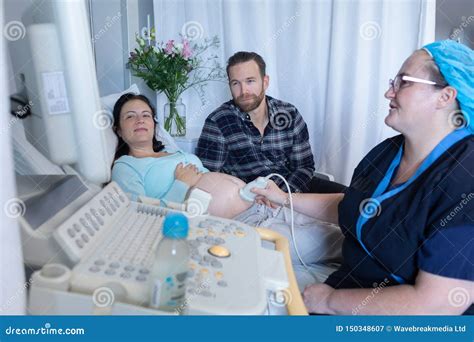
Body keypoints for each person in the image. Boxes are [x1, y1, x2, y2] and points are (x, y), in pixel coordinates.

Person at [252, 40, 473, 315]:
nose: (388, 92)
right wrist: (283, 198)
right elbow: (356, 206)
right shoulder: (387, 153)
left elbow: (436, 305)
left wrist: (329, 301)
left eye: (403, 82)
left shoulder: (465, 182)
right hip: (346, 289)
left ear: (445, 96)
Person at [196, 51, 345, 194]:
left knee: (354, 200)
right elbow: (208, 179)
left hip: (294, 189)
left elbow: (304, 167)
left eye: (250, 81)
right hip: (252, 199)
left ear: (265, 82)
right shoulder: (218, 122)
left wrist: (283, 196)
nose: (243, 91)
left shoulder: (289, 113)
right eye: (236, 83)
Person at [110, 93, 252, 219]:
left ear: (154, 124)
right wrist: (182, 184)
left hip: (254, 208)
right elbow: (142, 216)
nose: (140, 120)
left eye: (146, 115)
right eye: (130, 116)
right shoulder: (125, 167)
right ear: (119, 131)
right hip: (219, 227)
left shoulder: (172, 152)